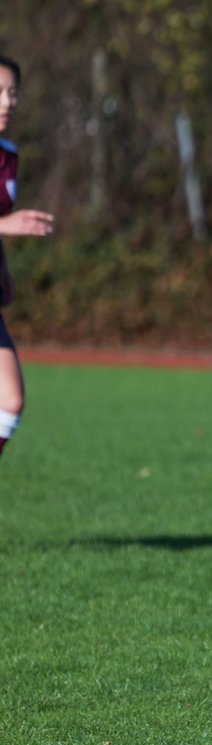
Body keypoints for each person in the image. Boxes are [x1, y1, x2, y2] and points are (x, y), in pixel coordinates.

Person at [0, 54, 55, 462]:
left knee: (10, 401)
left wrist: (3, 270)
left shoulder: (8, 154)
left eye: (12, 92)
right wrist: (5, 225)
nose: (6, 102)